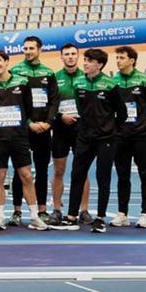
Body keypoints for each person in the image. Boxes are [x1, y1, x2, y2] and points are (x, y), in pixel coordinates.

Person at [60, 48, 125, 232]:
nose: (85, 63)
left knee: (102, 177)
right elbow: (81, 110)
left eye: (89, 60)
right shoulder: (79, 84)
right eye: (85, 60)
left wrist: (111, 132)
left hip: (106, 139)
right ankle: (71, 216)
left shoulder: (110, 85)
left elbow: (122, 113)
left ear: (100, 64)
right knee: (77, 175)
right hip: (84, 138)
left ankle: (100, 218)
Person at [0, 49, 48, 231]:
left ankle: (35, 216)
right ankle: (0, 216)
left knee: (27, 176)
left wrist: (29, 125)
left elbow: (28, 110)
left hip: (19, 137)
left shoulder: (22, 82)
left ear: (6, 61)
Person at [9, 36, 58, 227]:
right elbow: (15, 102)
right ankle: (16, 211)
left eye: (31, 48)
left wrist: (48, 123)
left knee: (43, 169)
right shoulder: (16, 72)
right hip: (23, 128)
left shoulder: (48, 73)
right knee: (20, 170)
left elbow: (54, 101)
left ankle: (42, 210)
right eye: (25, 48)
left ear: (40, 50)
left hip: (44, 128)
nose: (28, 51)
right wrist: (28, 122)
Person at [112, 45, 146, 228]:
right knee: (123, 176)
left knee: (145, 175)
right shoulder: (112, 81)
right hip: (120, 136)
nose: (118, 61)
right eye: (117, 58)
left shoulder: (145, 81)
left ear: (132, 60)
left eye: (122, 58)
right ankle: (122, 213)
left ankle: (145, 214)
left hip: (141, 135)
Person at [49, 42, 87, 225]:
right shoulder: (55, 78)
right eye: (67, 54)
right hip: (61, 128)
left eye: (73, 54)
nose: (70, 57)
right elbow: (50, 105)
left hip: (82, 129)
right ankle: (56, 209)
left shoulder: (87, 77)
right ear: (61, 57)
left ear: (78, 56)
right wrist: (60, 115)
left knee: (82, 170)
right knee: (59, 170)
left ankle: (84, 210)